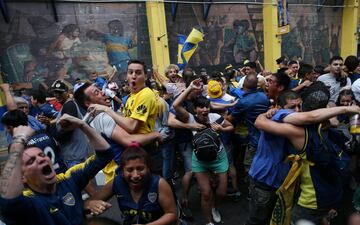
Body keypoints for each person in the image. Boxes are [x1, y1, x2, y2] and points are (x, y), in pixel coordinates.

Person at [254, 82, 360, 225]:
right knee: (259, 218)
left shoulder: (316, 128)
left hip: (310, 194)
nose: (297, 111)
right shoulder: (308, 124)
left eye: (299, 106)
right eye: (292, 107)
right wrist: (347, 109)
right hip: (268, 179)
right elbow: (259, 123)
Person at [0, 114, 113, 225]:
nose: (40, 159)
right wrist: (18, 141)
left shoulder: (67, 179)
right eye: (31, 161)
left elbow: (105, 155)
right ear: (22, 177)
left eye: (42, 155)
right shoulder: (29, 201)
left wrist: (82, 125)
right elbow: (8, 202)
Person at [172, 79, 234, 225]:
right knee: (206, 193)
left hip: (219, 158)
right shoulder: (190, 119)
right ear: (195, 109)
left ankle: (214, 207)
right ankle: (208, 222)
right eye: (200, 107)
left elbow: (231, 127)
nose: (204, 110)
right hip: (200, 160)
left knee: (221, 192)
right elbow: (175, 105)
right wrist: (190, 88)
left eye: (206, 107)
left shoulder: (215, 118)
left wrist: (222, 129)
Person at [84, 144, 177, 225]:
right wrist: (89, 204)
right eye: (130, 170)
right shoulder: (117, 182)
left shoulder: (159, 184)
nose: (135, 175)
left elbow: (172, 214)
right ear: (122, 171)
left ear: (148, 168)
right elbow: (86, 203)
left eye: (140, 169)